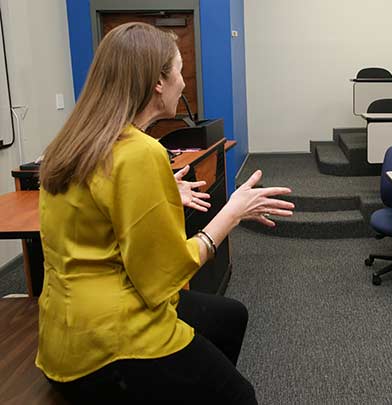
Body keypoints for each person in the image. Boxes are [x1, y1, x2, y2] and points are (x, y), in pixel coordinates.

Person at [35, 22, 295, 404]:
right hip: (109, 344)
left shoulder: (75, 143)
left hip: (63, 333)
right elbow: (165, 276)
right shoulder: (139, 153)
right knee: (240, 395)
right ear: (158, 81)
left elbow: (98, 210)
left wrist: (162, 192)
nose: (184, 83)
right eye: (177, 70)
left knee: (229, 316)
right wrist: (232, 211)